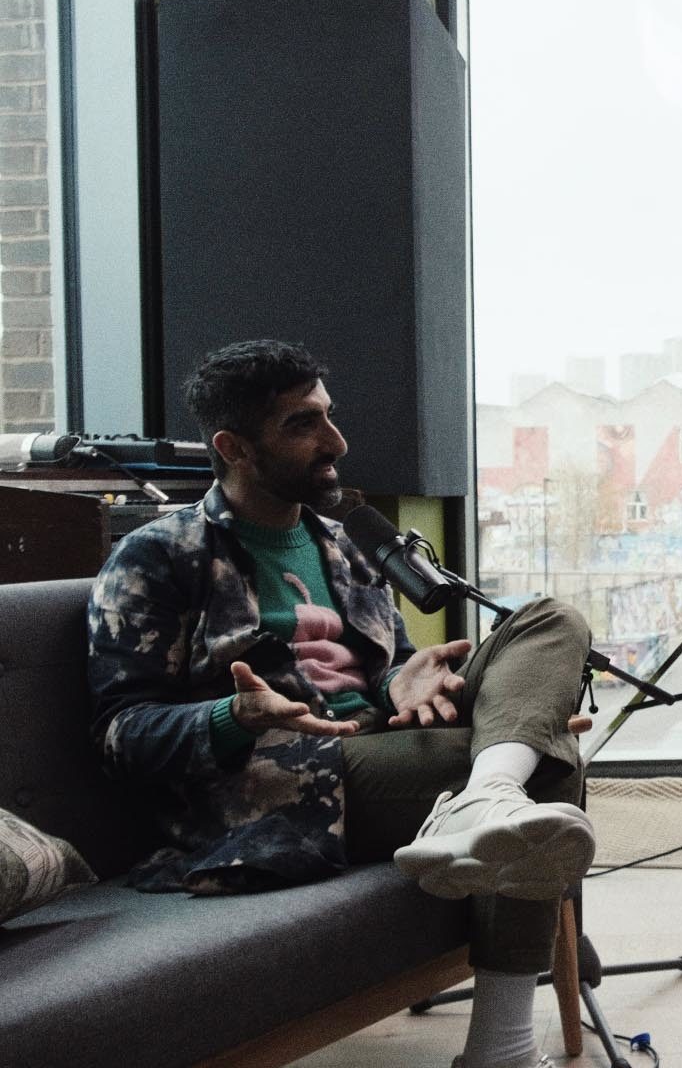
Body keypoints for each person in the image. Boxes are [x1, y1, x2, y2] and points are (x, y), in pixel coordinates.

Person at [87, 340, 594, 1068]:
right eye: (302, 424)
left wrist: (404, 681)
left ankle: (487, 794)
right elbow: (118, 736)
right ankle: (503, 1048)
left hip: (376, 744)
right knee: (546, 764)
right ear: (234, 447)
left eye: (328, 416)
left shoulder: (345, 540)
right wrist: (237, 716)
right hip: (278, 781)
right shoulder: (157, 557)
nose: (336, 442)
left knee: (548, 620)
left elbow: (376, 673)